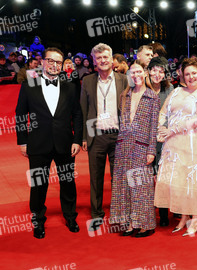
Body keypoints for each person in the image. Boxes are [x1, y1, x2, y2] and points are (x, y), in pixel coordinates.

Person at [15, 47, 83, 239]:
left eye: (58, 62)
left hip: (65, 142)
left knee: (68, 182)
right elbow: (20, 114)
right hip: (38, 143)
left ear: (63, 65)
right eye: (51, 61)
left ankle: (70, 216)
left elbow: (77, 115)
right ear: (43, 62)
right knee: (38, 185)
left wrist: (77, 139)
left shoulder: (70, 86)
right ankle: (38, 220)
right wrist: (22, 141)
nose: (54, 65)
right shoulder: (29, 84)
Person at [155, 58, 197, 236]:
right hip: (174, 144)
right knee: (180, 182)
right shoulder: (176, 91)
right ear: (182, 76)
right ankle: (184, 216)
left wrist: (172, 130)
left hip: (195, 143)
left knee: (196, 180)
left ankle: (196, 217)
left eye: (194, 73)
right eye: (187, 74)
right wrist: (160, 127)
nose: (191, 77)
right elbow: (162, 112)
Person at [109, 60, 160, 237]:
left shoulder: (152, 96)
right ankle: (130, 222)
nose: (136, 75)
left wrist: (151, 150)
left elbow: (154, 126)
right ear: (129, 75)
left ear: (145, 73)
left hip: (142, 145)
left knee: (141, 187)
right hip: (123, 144)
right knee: (125, 185)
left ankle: (146, 224)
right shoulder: (125, 95)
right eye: (133, 73)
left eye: (139, 72)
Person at [80, 43, 129, 220]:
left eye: (105, 57)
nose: (102, 60)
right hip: (96, 135)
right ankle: (96, 212)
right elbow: (83, 110)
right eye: (98, 58)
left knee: (118, 178)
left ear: (112, 60)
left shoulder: (123, 79)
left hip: (118, 135)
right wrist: (84, 136)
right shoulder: (87, 81)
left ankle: (118, 211)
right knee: (96, 177)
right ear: (94, 61)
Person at [147, 56, 174, 226]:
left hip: (165, 140)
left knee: (163, 179)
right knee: (148, 178)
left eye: (161, 71)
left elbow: (174, 113)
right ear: (148, 71)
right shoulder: (141, 89)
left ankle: (164, 214)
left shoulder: (170, 89)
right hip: (146, 140)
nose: (157, 74)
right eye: (154, 70)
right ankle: (148, 212)